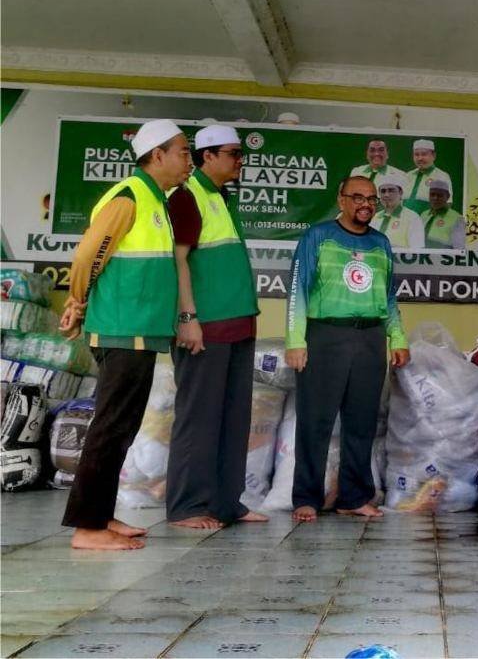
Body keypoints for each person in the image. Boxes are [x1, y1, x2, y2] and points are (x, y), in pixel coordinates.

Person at [58, 119, 191, 550]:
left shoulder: (156, 200)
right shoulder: (129, 197)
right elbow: (88, 254)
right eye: (183, 152)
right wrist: (76, 301)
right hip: (121, 329)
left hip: (142, 330)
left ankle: (100, 514)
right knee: (110, 427)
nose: (189, 161)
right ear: (157, 156)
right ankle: (87, 529)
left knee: (122, 428)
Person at [285, 175, 410, 522]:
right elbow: (298, 289)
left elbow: (388, 296)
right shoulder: (318, 237)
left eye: (371, 199)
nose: (365, 204)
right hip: (325, 335)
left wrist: (397, 338)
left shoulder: (381, 243)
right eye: (357, 197)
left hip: (369, 339)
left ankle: (354, 497)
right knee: (316, 422)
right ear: (341, 200)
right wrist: (295, 340)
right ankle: (306, 498)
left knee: (361, 423)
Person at [165, 125, 267, 529]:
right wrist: (188, 318)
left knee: (232, 418)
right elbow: (178, 261)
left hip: (237, 326)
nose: (240, 161)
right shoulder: (188, 197)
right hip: (204, 327)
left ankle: (227, 502)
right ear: (207, 155)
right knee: (199, 417)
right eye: (233, 154)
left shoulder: (221, 199)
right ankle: (187, 506)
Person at [371, 173, 425, 249]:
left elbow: (417, 250)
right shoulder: (374, 218)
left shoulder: (412, 218)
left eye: (391, 190)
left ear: (400, 193)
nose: (386, 195)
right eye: (383, 191)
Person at [405, 139, 452, 213]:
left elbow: (447, 204)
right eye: (416, 154)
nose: (420, 158)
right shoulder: (408, 175)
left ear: (433, 156)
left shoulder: (441, 176)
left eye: (424, 154)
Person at [419, 179, 465, 250]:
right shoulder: (424, 215)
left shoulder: (457, 218)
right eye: (432, 194)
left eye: (440, 195)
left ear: (448, 197)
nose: (435, 198)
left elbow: (459, 249)